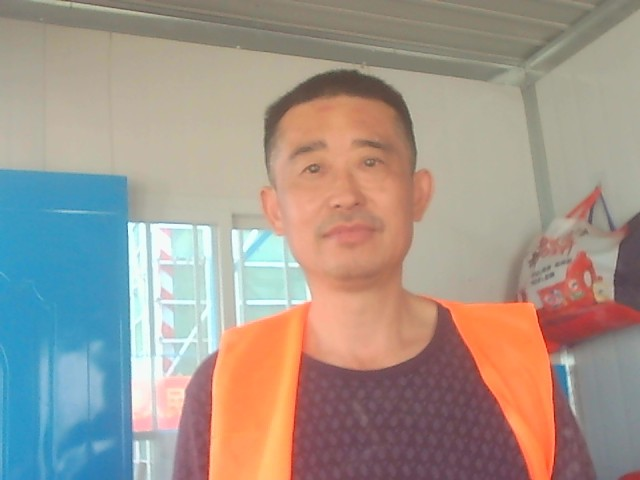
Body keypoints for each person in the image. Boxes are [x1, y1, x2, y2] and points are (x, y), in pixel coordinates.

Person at [173, 69, 595, 480]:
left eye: (370, 161)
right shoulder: (226, 387)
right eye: (313, 169)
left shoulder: (515, 355)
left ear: (418, 194)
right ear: (275, 210)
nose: (345, 195)